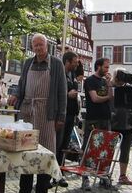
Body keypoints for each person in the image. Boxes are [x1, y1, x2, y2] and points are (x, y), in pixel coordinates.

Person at [8, 33, 67, 193]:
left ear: (46, 46)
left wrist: (61, 116)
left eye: (41, 44)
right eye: (36, 45)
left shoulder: (56, 64)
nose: (39, 48)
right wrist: (15, 94)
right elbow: (21, 84)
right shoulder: (28, 63)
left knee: (46, 152)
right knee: (25, 151)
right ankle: (24, 189)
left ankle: (42, 188)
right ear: (32, 47)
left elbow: (62, 91)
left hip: (47, 114)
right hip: (27, 112)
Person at [81, 57, 113, 191]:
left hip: (105, 118)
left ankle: (103, 175)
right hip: (93, 119)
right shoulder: (90, 80)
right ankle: (85, 177)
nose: (107, 70)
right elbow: (95, 98)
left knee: (106, 148)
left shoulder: (105, 82)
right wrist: (107, 97)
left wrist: (110, 84)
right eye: (105, 67)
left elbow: (111, 97)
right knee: (89, 148)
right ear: (98, 66)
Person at [53, 51, 80, 188]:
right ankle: (53, 174)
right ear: (68, 61)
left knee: (64, 146)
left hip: (71, 115)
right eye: (75, 62)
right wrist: (67, 94)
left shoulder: (72, 74)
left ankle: (60, 173)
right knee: (57, 145)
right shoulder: (60, 74)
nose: (77, 64)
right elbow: (55, 92)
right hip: (61, 114)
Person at [110, 67, 132, 186]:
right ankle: (104, 174)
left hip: (128, 124)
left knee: (125, 151)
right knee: (108, 151)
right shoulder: (110, 86)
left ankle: (122, 175)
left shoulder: (130, 88)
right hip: (113, 124)